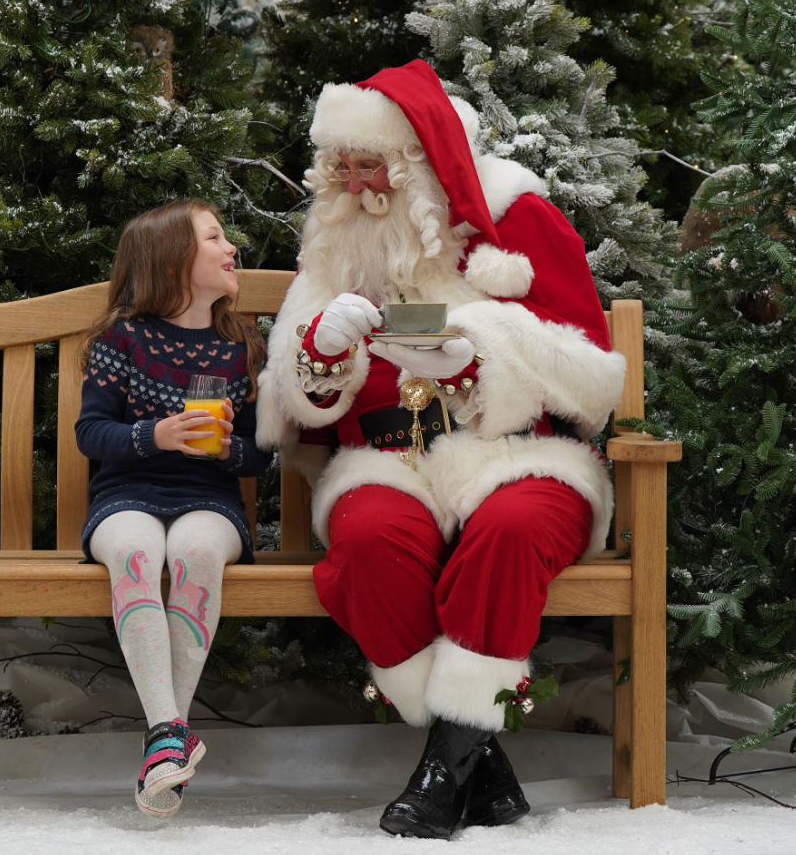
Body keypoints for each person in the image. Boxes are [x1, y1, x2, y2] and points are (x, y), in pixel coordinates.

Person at [256, 60, 626, 839]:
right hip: (389, 461)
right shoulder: (334, 247)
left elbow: (593, 380)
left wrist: (476, 357)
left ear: (419, 162)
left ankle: (441, 773)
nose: (355, 185)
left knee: (515, 529)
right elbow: (299, 403)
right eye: (341, 167)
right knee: (365, 545)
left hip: (517, 452)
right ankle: (472, 756)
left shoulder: (517, 218)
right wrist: (320, 356)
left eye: (370, 166)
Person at [76, 200, 273, 818]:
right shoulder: (121, 337)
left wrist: (224, 449)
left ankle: (165, 740)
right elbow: (90, 432)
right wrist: (153, 436)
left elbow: (259, 456)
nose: (231, 247)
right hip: (126, 493)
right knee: (136, 552)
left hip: (208, 497)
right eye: (215, 238)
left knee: (192, 552)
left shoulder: (240, 346)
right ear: (173, 259)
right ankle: (168, 731)